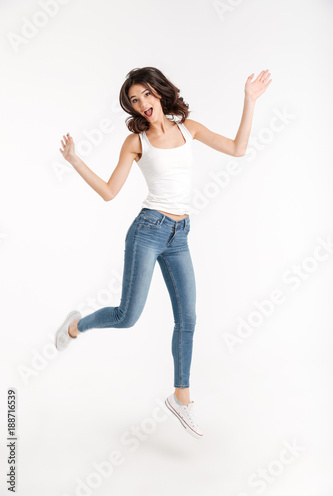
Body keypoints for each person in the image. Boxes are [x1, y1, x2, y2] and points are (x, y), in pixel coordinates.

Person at [55, 66, 272, 439]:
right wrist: (75, 160)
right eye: (134, 101)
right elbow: (109, 192)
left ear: (159, 92)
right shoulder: (137, 142)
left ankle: (181, 398)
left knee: (188, 318)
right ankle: (76, 325)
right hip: (148, 231)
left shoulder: (190, 129)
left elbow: (238, 149)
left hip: (180, 234)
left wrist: (249, 100)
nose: (142, 105)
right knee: (127, 316)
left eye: (146, 96)